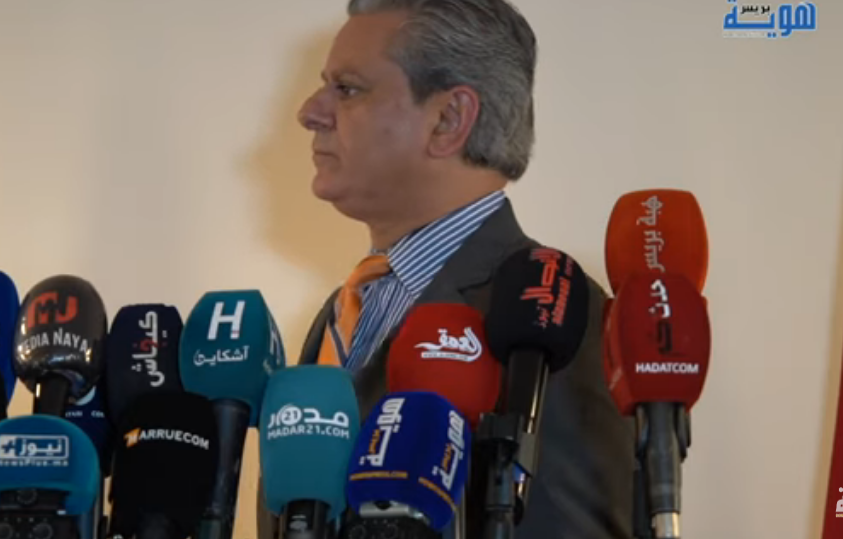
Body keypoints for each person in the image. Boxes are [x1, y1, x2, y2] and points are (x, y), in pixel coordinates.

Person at [258, 1, 633, 537]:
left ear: (448, 120)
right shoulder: (345, 309)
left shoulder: (556, 315)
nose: (309, 112)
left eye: (347, 89)